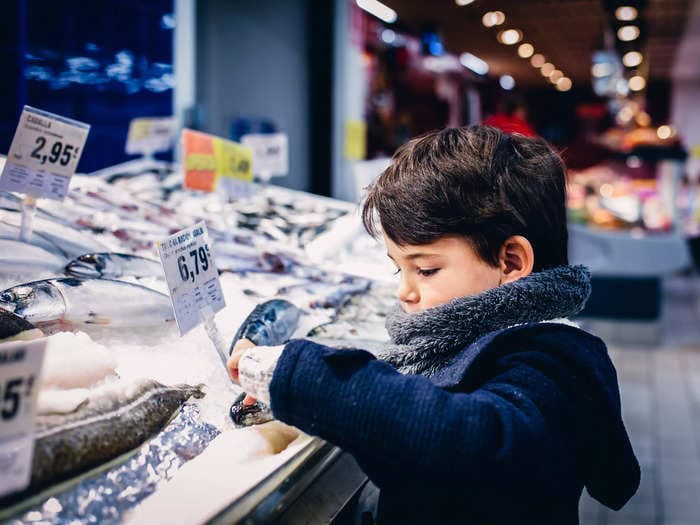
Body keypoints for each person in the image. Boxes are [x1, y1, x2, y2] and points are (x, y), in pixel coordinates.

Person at [228, 126, 640, 524]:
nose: (404, 292)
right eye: (398, 270)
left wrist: (301, 376)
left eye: (425, 270)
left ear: (510, 262)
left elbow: (465, 438)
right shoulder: (462, 335)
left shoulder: (554, 365)